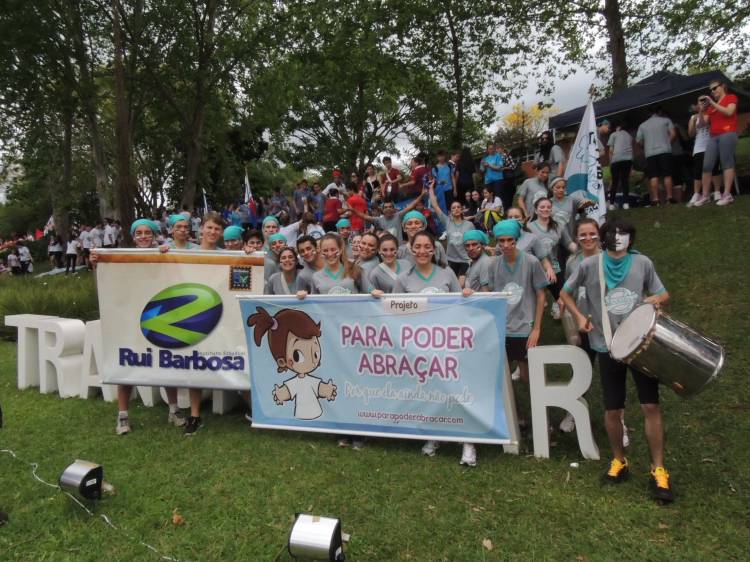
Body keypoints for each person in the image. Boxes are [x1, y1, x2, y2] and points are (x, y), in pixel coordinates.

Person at [560, 218, 673, 503]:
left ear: (631, 239)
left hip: (640, 345)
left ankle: (659, 469)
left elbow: (663, 294)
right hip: (607, 345)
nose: (618, 238)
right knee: (612, 409)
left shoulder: (642, 263)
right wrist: (579, 317)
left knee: (650, 405)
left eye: (624, 234)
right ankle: (619, 460)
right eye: (613, 233)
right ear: (604, 238)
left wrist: (652, 301)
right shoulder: (589, 265)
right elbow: (564, 292)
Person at [388, 230, 465, 462]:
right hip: (418, 347)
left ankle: (464, 436)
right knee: (428, 392)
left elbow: (461, 305)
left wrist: (468, 294)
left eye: (426, 247)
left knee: (454, 390)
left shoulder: (447, 273)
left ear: (434, 249)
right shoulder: (403, 279)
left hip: (447, 343)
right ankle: (433, 435)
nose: (422, 251)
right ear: (411, 250)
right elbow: (393, 312)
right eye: (417, 247)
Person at [114, 219, 186, 436]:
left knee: (166, 364)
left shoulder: (163, 253)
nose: (143, 236)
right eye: (139, 233)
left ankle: (173, 410)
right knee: (126, 367)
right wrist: (97, 261)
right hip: (130, 320)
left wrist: (165, 254)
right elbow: (110, 280)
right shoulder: (123, 257)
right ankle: (123, 416)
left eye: (147, 233)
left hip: (159, 318)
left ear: (154, 235)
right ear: (133, 236)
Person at [490, 219, 548, 428]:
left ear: (517, 240)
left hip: (525, 328)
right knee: (502, 379)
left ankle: (542, 419)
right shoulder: (493, 264)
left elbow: (541, 295)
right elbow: (491, 295)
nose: (506, 245)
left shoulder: (531, 262)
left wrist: (537, 328)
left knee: (528, 376)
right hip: (503, 329)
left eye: (510, 240)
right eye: (501, 241)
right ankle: (516, 417)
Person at [528, 197, 576, 319]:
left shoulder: (558, 226)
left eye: (548, 207)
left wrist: (582, 252)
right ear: (536, 210)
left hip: (554, 264)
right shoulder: (529, 227)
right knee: (536, 298)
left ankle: (563, 314)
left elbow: (568, 243)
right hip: (535, 266)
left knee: (561, 294)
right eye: (542, 207)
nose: (546, 209)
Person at [699, 79, 738, 206]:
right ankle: (705, 196)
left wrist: (712, 103)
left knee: (726, 163)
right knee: (706, 166)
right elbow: (702, 124)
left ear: (723, 86)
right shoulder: (711, 106)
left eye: (715, 88)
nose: (712, 91)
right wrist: (701, 110)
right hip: (713, 137)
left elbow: (729, 112)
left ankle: (727, 195)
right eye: (711, 90)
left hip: (728, 133)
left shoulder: (731, 97)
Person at [428, 181, 472, 285]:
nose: (456, 209)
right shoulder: (447, 222)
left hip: (465, 259)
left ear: (462, 209)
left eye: (458, 207)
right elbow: (435, 205)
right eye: (453, 208)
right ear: (450, 211)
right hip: (451, 259)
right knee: (450, 284)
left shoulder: (469, 225)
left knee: (461, 284)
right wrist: (430, 188)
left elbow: (474, 242)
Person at [636, 107, 676, 206]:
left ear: (648, 114)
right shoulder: (666, 120)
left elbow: (638, 140)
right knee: (667, 174)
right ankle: (669, 198)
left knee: (653, 176)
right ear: (659, 112)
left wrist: (645, 146)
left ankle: (655, 199)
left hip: (650, 153)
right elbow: (673, 134)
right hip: (665, 150)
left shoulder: (642, 125)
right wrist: (668, 143)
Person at [686, 102, 722, 207]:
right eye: (699, 102)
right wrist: (693, 120)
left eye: (704, 102)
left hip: (712, 145)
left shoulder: (712, 113)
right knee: (698, 172)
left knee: (714, 169)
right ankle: (697, 194)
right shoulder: (693, 117)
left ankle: (717, 192)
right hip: (699, 147)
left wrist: (700, 113)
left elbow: (704, 123)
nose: (702, 104)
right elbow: (690, 134)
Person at [349, 192, 422, 242]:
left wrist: (422, 194)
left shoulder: (398, 216)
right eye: (386, 207)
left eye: (390, 207)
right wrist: (353, 210)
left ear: (394, 209)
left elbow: (411, 206)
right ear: (383, 210)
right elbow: (364, 216)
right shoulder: (379, 220)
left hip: (399, 249)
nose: (388, 209)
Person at [607, 121, 634, 210]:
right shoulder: (629, 136)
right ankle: (626, 203)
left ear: (617, 128)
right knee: (625, 181)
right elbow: (631, 149)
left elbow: (611, 150)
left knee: (614, 182)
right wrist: (632, 167)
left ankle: (611, 204)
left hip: (616, 160)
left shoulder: (613, 134)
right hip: (628, 160)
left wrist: (610, 163)